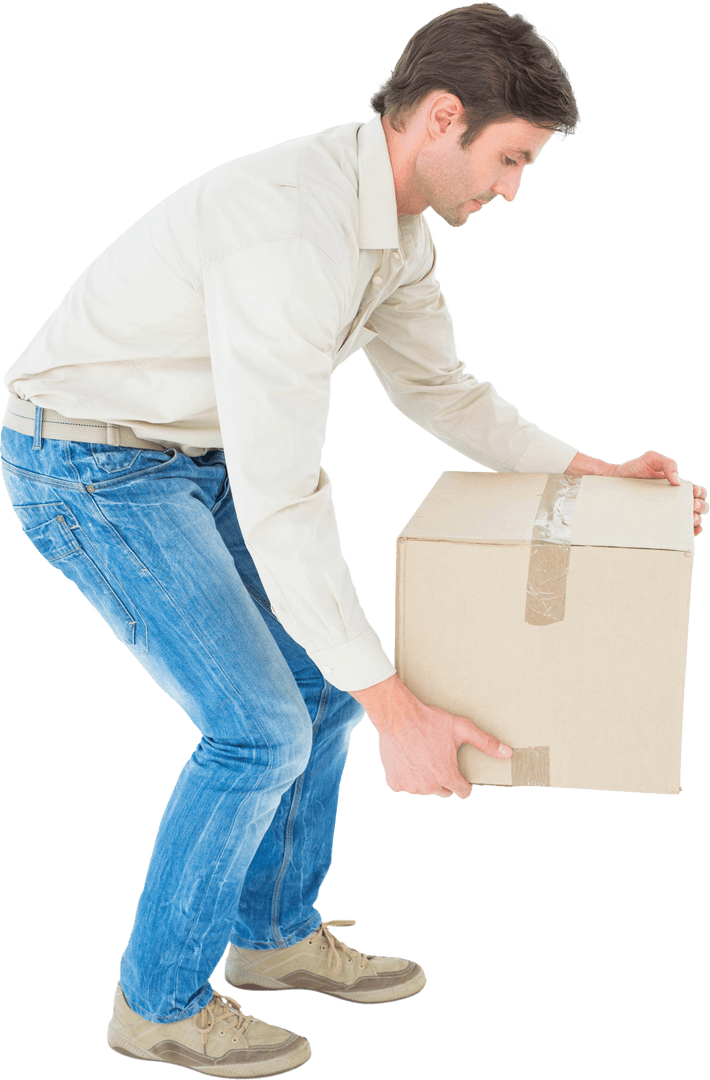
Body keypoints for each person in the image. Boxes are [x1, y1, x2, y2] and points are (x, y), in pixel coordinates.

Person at [1, 3, 706, 1077]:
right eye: (509, 158)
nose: (511, 189)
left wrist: (586, 472)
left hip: (190, 458)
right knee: (257, 730)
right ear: (440, 117)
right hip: (91, 468)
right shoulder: (295, 234)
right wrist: (400, 712)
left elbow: (440, 390)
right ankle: (157, 1004)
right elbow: (285, 493)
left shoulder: (394, 230)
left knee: (319, 689)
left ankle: (273, 940)